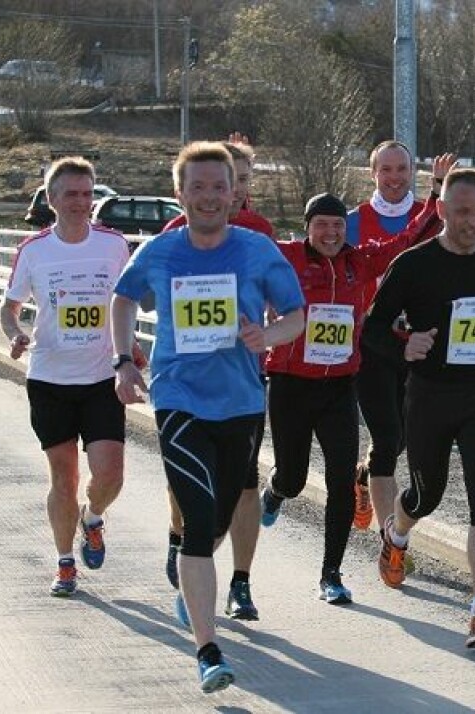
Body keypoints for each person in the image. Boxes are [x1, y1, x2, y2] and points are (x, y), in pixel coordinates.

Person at [111, 141, 305, 694]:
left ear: (235, 192)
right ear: (180, 193)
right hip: (178, 397)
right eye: (197, 186)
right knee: (199, 521)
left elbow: (296, 316)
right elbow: (124, 300)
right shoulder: (161, 251)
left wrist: (266, 336)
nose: (209, 196)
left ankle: (189, 582)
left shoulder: (257, 249)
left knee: (219, 518)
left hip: (242, 402)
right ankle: (208, 649)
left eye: (219, 186)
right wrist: (124, 361)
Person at [361, 167, 475, 647]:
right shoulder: (413, 265)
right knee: (427, 495)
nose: (474, 223)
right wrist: (405, 345)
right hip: (430, 396)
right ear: (441, 210)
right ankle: (395, 535)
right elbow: (373, 330)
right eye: (464, 212)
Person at [259, 182, 443, 604]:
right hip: (290, 384)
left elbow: (406, 241)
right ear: (307, 228)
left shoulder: (358, 263)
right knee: (294, 475)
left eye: (337, 225)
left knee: (341, 481)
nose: (330, 233)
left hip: (340, 386)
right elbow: (247, 247)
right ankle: (277, 490)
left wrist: (433, 197)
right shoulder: (285, 257)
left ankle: (331, 574)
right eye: (321, 225)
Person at [0, 156, 144, 598]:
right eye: (71, 195)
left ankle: (93, 517)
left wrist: (130, 346)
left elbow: (127, 302)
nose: (81, 202)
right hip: (50, 380)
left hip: (102, 376)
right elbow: (9, 306)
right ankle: (65, 564)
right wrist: (15, 333)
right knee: (64, 477)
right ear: (52, 199)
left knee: (111, 475)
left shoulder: (114, 244)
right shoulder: (34, 250)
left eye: (87, 193)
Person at [159, 140, 274, 622]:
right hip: (188, 389)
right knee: (192, 491)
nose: (239, 190)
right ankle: (183, 542)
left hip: (243, 384)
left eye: (245, 180)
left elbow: (282, 297)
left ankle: (240, 582)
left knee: (245, 489)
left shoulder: (260, 234)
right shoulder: (176, 233)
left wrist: (264, 330)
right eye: (235, 179)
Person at [348, 141, 453, 581]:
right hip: (372, 345)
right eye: (385, 170)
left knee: (406, 438)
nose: (393, 177)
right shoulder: (354, 222)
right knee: (388, 440)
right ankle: (391, 543)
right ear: (373, 173)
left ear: (413, 172)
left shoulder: (432, 217)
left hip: (418, 345)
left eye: (401, 169)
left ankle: (364, 475)